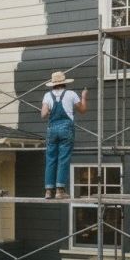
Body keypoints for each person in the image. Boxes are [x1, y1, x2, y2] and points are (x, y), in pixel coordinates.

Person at [41, 71, 88, 199]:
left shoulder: (47, 95)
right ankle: (60, 191)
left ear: (53, 84)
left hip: (52, 130)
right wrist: (84, 96)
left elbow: (43, 114)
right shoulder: (71, 94)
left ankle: (48, 191)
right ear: (64, 83)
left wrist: (49, 109)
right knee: (63, 159)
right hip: (66, 129)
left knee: (51, 159)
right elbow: (83, 110)